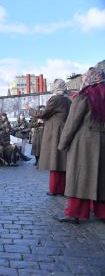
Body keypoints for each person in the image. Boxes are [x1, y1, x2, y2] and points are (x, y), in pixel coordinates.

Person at [55, 62, 105, 224]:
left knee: (80, 178)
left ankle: (75, 213)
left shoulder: (85, 95)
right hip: (103, 143)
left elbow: (72, 123)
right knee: (101, 179)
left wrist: (63, 144)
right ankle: (102, 213)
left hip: (84, 144)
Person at [26, 79, 72, 196]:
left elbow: (43, 114)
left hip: (55, 133)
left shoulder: (55, 99)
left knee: (55, 161)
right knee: (63, 162)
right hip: (64, 131)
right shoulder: (67, 100)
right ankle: (63, 189)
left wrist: (29, 110)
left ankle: (54, 189)